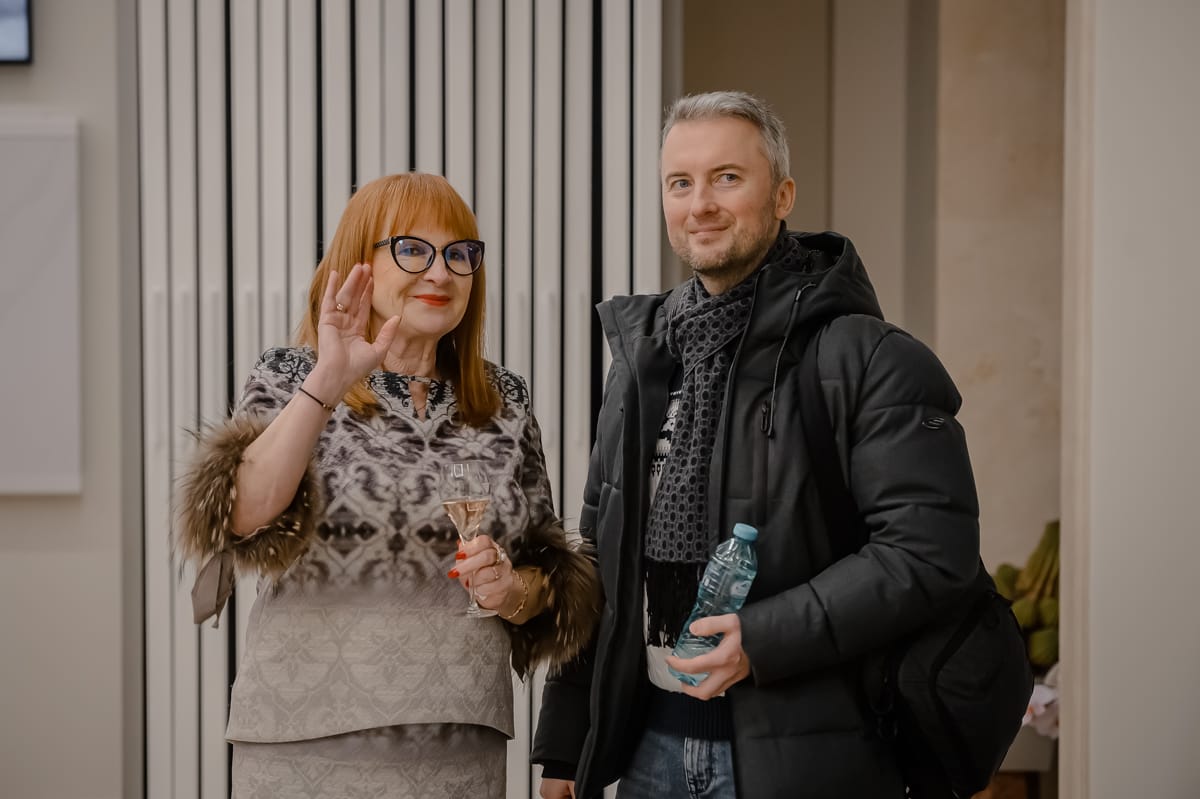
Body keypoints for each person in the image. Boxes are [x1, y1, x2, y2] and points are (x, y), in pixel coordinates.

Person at [532, 91, 981, 798]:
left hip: (811, 759)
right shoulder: (644, 362)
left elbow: (928, 553)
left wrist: (762, 640)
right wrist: (567, 744)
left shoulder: (870, 358)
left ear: (782, 195)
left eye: (727, 178)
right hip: (649, 753)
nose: (700, 204)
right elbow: (602, 558)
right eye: (680, 183)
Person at [175, 172, 600, 799]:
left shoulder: (504, 399)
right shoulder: (291, 375)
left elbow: (545, 572)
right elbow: (242, 516)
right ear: (360, 264)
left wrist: (510, 590)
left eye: (459, 254)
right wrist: (329, 377)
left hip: (462, 747)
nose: (441, 273)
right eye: (413, 250)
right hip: (307, 742)